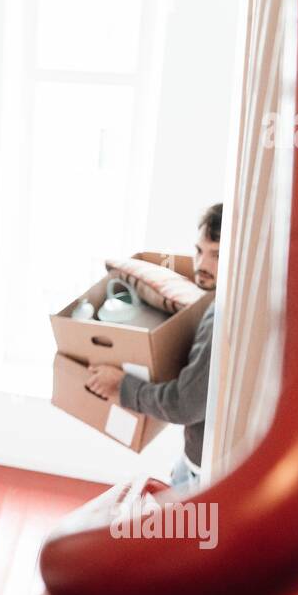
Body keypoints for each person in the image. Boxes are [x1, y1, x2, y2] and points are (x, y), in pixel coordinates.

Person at [83, 204, 220, 494]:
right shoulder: (217, 301)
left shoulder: (220, 316)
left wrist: (121, 386)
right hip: (197, 459)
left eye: (217, 255)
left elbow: (184, 404)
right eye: (199, 251)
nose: (201, 265)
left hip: (205, 473)